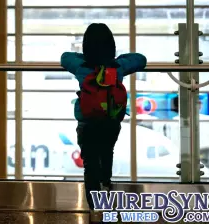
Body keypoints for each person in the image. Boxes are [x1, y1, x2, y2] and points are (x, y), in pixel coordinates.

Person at [60, 23, 147, 222]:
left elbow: (65, 57)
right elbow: (141, 60)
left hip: (87, 123)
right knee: (107, 152)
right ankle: (106, 184)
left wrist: (85, 58)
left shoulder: (82, 68)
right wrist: (116, 60)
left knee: (90, 164)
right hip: (111, 122)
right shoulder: (117, 68)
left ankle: (95, 209)